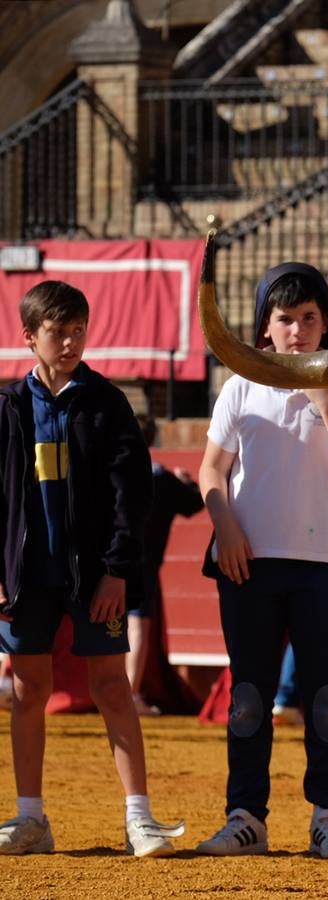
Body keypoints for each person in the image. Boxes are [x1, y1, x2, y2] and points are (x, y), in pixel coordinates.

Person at [195, 264, 328, 859]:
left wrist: (325, 398)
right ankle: (246, 815)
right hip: (251, 565)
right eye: (284, 319)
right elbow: (212, 470)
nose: (296, 330)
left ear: (325, 325)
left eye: (307, 318)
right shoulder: (241, 385)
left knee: (326, 699)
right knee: (248, 696)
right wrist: (224, 527)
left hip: (327, 566)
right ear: (264, 328)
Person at [0, 281, 183, 858]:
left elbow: (133, 497)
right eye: (59, 331)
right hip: (26, 576)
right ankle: (31, 818)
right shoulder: (7, 406)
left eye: (79, 329)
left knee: (111, 686)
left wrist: (118, 570)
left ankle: (139, 818)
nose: (72, 340)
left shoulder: (106, 402)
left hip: (92, 577)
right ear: (30, 337)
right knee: (28, 690)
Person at [127, 415, 204, 717]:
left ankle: (115, 692)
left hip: (107, 561)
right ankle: (129, 693)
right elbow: (193, 504)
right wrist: (188, 482)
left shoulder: (107, 471)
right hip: (143, 565)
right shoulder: (160, 477)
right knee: (137, 627)